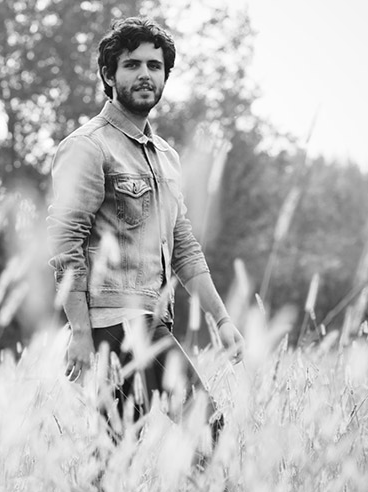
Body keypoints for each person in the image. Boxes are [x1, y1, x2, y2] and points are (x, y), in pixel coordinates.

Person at [47, 17, 244, 463]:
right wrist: (80, 331)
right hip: (115, 322)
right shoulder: (88, 146)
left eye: (155, 66)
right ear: (108, 75)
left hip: (154, 316)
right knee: (207, 427)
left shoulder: (166, 157)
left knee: (115, 452)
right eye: (132, 64)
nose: (145, 75)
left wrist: (221, 319)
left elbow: (184, 246)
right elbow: (66, 243)